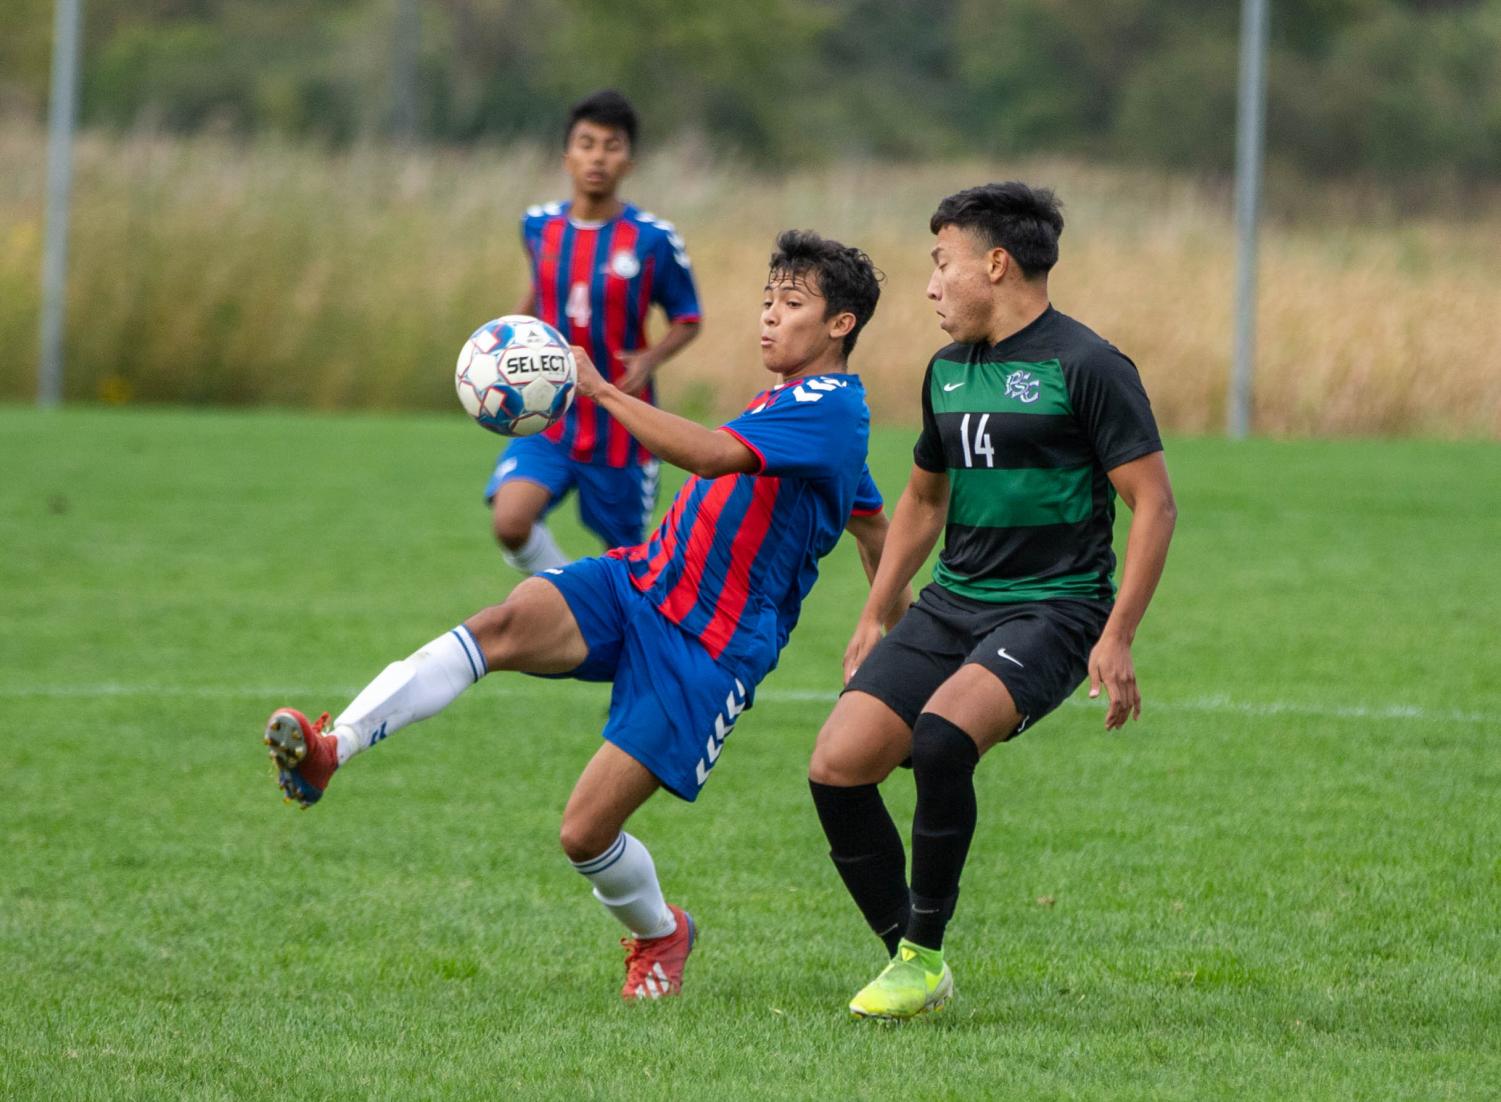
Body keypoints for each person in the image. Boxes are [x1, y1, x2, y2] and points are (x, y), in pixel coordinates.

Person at [265, 230, 900, 1001]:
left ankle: (661, 930)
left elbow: (706, 454)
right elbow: (875, 528)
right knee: (500, 625)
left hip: (706, 649)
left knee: (583, 833)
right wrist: (884, 620)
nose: (768, 318)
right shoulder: (795, 400)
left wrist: (598, 389)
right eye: (766, 301)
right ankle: (335, 748)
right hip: (641, 581)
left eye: (791, 305)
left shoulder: (832, 412)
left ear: (840, 324)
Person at [807, 182, 1178, 1020]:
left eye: (942, 264)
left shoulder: (1086, 366)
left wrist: (1116, 637)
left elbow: (1153, 506)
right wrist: (879, 607)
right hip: (953, 602)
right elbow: (924, 500)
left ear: (996, 264)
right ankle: (912, 954)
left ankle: (921, 952)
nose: (931, 286)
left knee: (939, 743)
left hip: (1053, 608)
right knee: (836, 766)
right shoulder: (947, 371)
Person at [488, 89, 703, 574]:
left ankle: (608, 622)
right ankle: (565, 599)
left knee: (629, 561)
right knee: (511, 521)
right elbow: (542, 290)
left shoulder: (653, 239)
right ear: (567, 156)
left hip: (623, 425)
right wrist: (507, 339)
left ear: (629, 160)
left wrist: (650, 359)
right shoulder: (538, 226)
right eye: (587, 143)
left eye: (612, 145)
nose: (598, 156)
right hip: (551, 411)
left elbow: (688, 317)